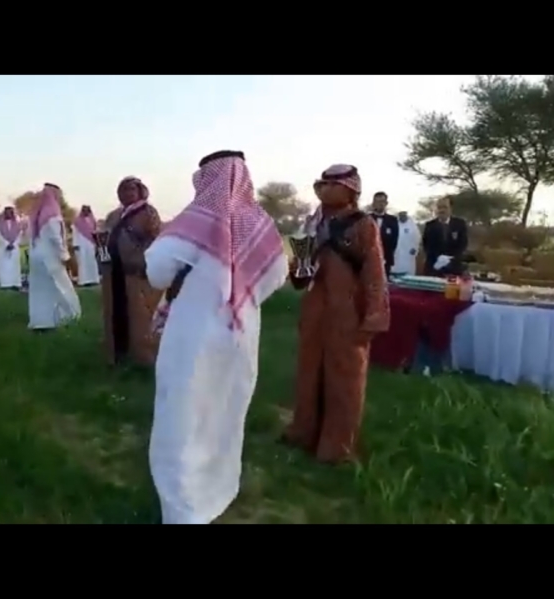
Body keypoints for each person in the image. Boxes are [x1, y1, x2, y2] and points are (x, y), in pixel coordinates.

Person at [145, 150, 288, 525]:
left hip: (193, 337)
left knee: (183, 415)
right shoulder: (263, 227)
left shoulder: (195, 221)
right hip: (240, 334)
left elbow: (157, 271)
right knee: (224, 412)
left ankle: (184, 510)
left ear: (207, 179)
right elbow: (275, 278)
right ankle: (217, 493)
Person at [281, 164, 389, 464]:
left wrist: (374, 316)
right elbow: (301, 278)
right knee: (308, 371)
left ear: (351, 190)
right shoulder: (312, 224)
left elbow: (374, 274)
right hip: (316, 308)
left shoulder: (363, 225)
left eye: (333, 184)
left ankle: (337, 447)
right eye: (322, 184)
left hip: (348, 311)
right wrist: (299, 264)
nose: (324, 190)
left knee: (345, 378)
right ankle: (303, 433)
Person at [101, 176, 163, 366]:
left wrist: (142, 261)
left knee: (139, 316)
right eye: (123, 190)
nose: (127, 194)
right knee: (115, 313)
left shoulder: (148, 213)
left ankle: (143, 358)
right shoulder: (113, 216)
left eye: (131, 190)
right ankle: (117, 355)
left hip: (136, 273)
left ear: (140, 192)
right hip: (114, 273)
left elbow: (155, 240)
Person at [27, 183, 81, 330]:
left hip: (37, 256)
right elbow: (55, 238)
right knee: (62, 287)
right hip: (50, 257)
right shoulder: (52, 214)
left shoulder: (37, 215)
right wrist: (66, 257)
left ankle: (41, 322)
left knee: (40, 290)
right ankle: (69, 317)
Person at [422, 196, 468, 276]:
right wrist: (439, 259)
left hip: (453, 267)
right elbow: (426, 245)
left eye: (445, 207)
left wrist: (449, 258)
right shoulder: (430, 225)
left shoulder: (459, 224)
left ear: (450, 209)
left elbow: (463, 244)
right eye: (439, 207)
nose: (442, 210)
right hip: (434, 267)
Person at [0, 204, 26, 290]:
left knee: (14, 266)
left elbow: (20, 234)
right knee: (4, 266)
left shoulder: (17, 223)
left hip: (14, 248)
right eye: (7, 212)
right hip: (3, 248)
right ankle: (5, 284)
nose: (8, 214)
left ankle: (15, 283)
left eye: (10, 212)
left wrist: (14, 244)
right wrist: (6, 244)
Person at [370, 191, 399, 276]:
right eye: (378, 202)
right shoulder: (366, 218)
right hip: (368, 260)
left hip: (386, 259)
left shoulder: (392, 220)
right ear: (373, 203)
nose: (380, 204)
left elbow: (394, 240)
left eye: (382, 202)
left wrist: (386, 256)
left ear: (386, 203)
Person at [71, 204, 100, 286]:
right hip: (81, 244)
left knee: (92, 262)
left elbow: (95, 231)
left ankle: (94, 279)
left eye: (87, 210)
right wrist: (75, 244)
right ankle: (84, 281)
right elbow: (75, 234)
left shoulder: (92, 220)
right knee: (82, 262)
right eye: (84, 210)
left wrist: (97, 243)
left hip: (91, 244)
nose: (86, 212)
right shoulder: (77, 221)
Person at [392, 210, 421, 275]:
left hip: (408, 255)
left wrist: (415, 249)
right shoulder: (394, 223)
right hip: (396, 255)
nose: (402, 216)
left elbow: (417, 238)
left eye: (404, 214)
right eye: (400, 215)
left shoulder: (412, 226)